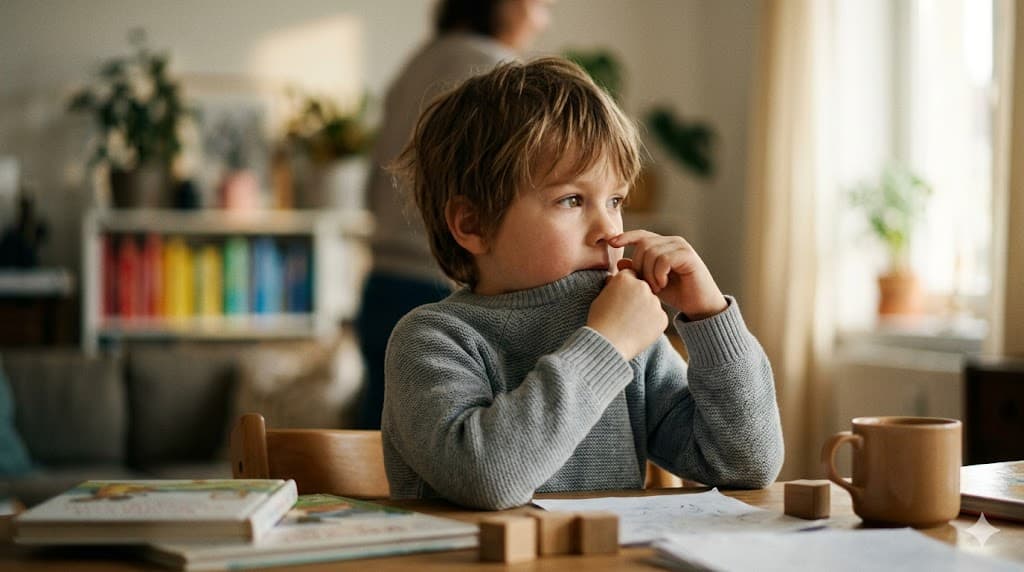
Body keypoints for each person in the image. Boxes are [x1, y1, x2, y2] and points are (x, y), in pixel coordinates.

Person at [381, 57, 784, 510]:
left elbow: (745, 464)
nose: (608, 230)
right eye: (572, 199)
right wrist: (606, 344)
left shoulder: (629, 341)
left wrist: (710, 318)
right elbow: (487, 477)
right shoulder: (431, 339)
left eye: (614, 200)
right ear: (472, 224)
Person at [356, 0, 554, 429]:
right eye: (539, 4)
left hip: (383, 278)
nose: (543, 20)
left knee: (378, 443)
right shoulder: (497, 75)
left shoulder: (414, 65)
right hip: (441, 282)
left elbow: (373, 182)